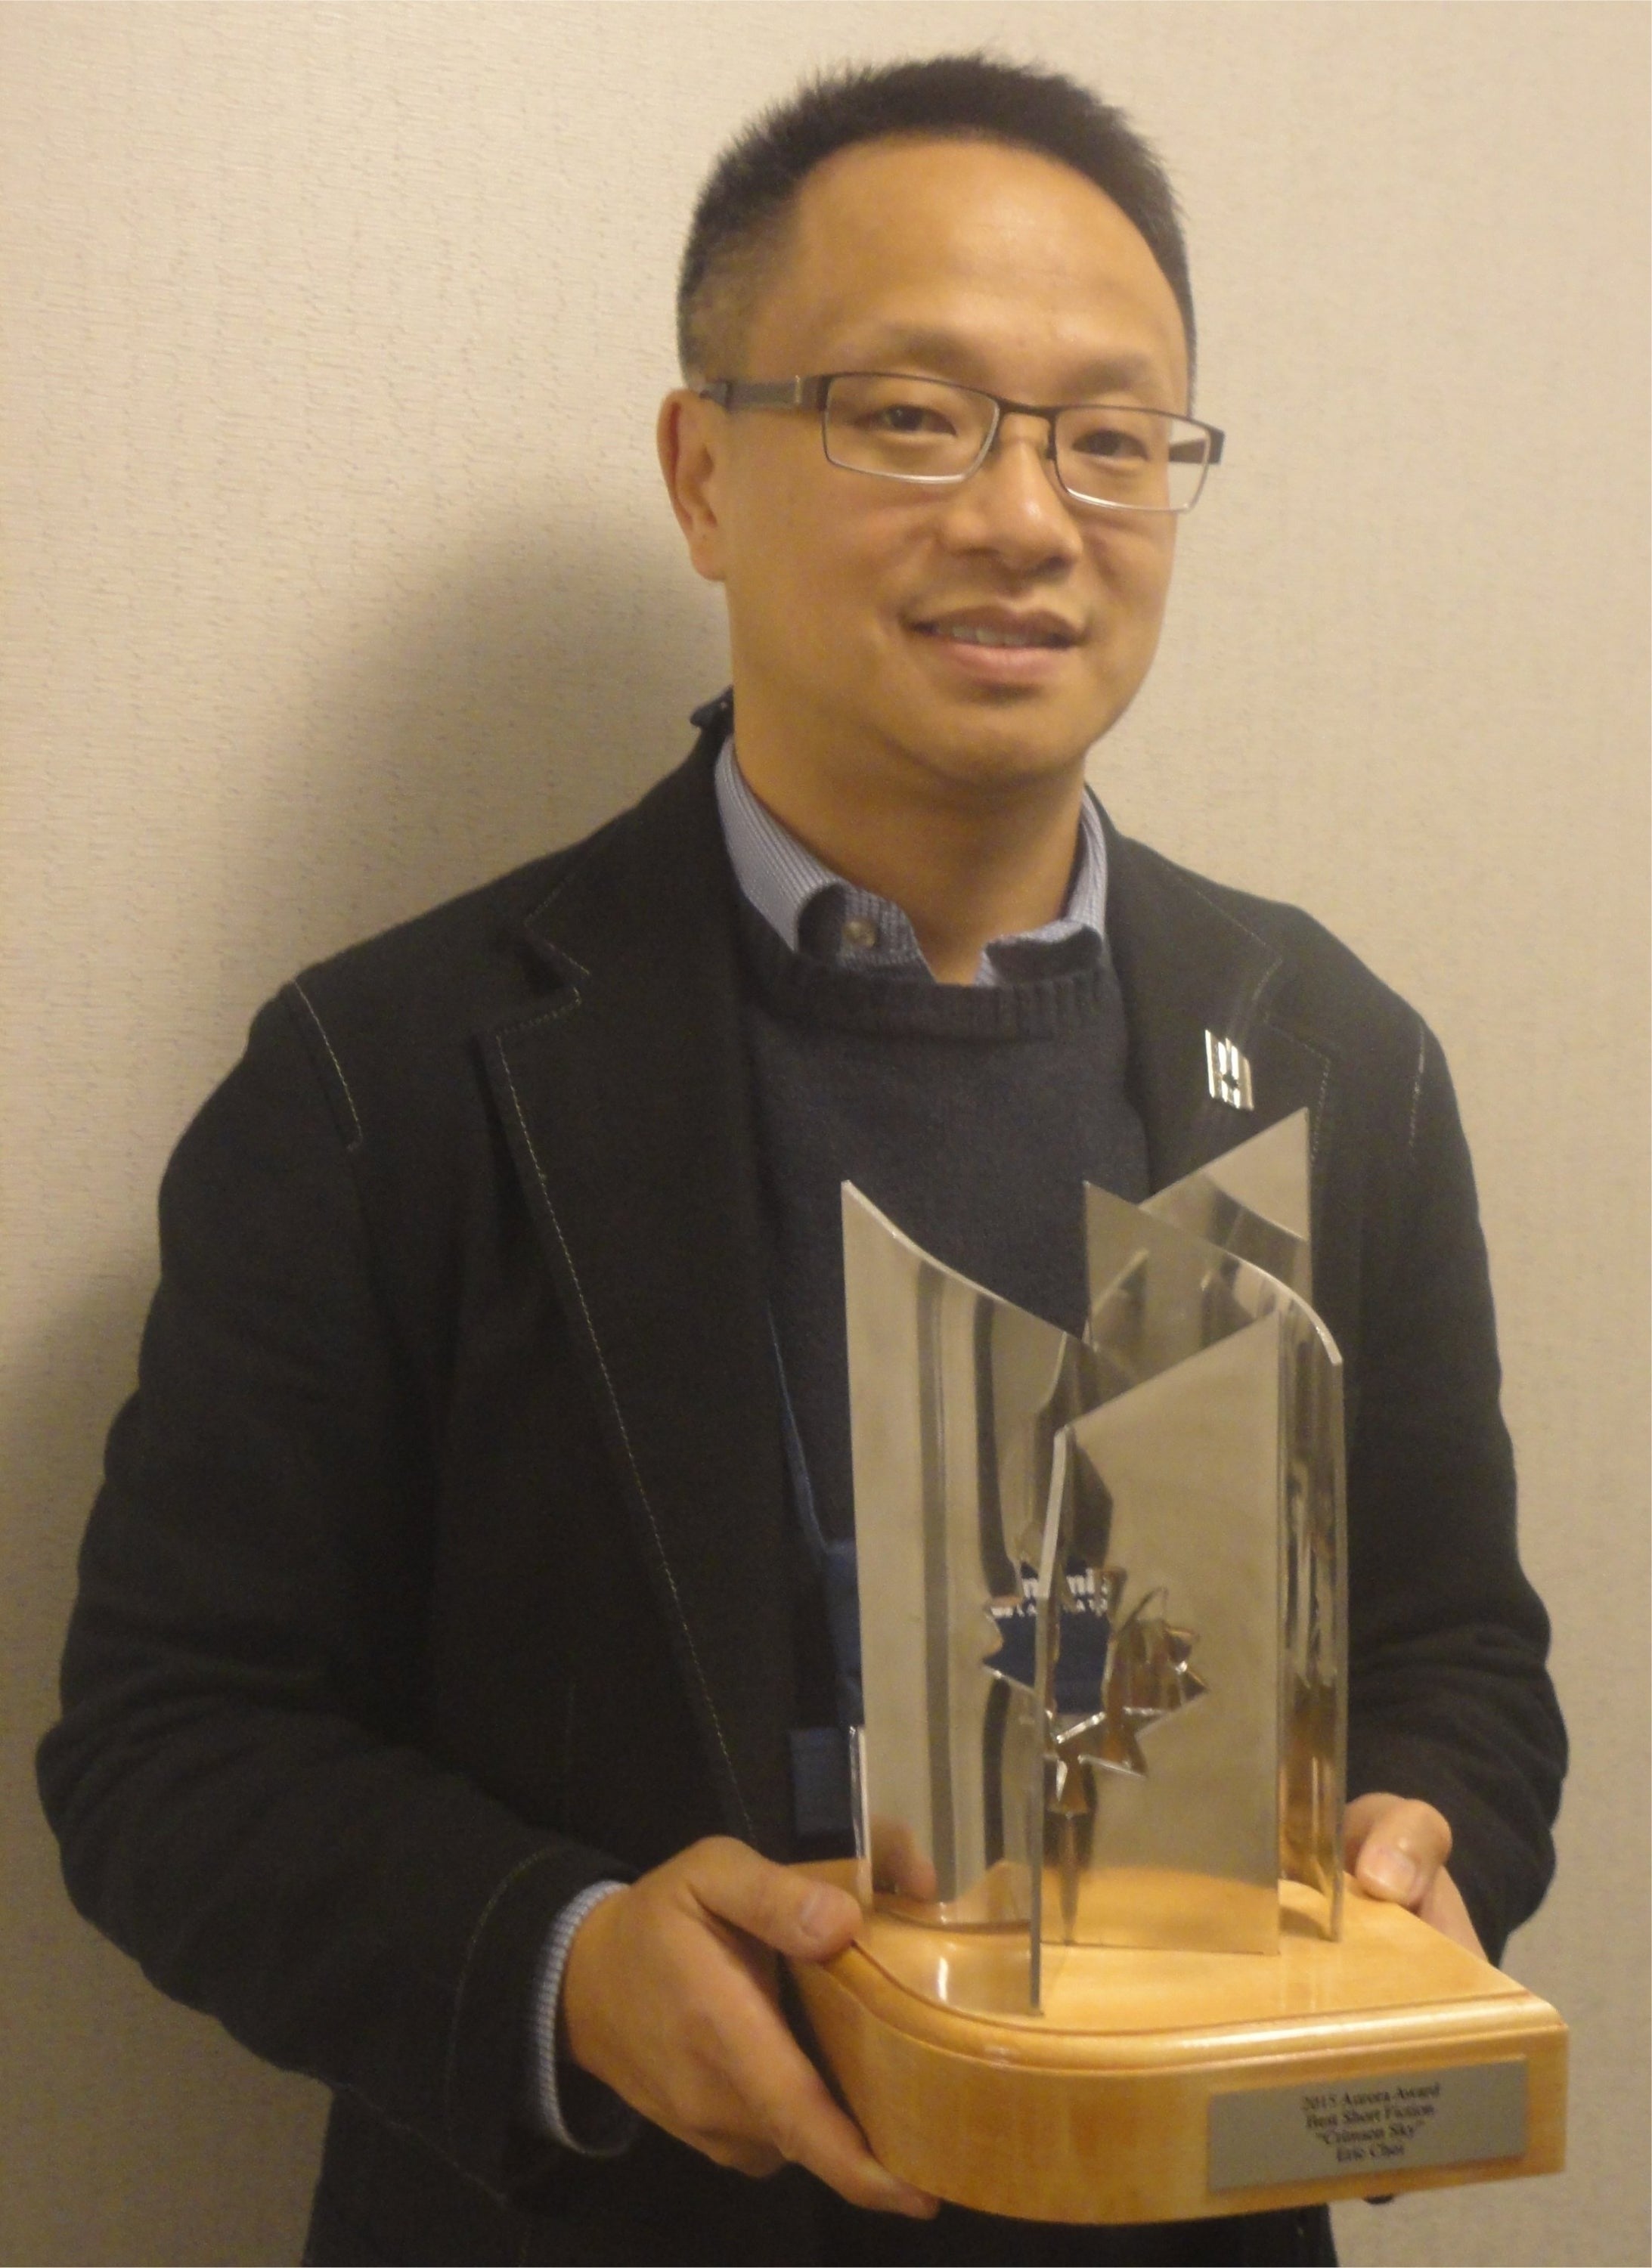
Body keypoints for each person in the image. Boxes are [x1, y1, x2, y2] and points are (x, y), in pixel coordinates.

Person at [38, 54, 1565, 2268]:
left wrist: (1426, 1853)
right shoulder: (392, 1074)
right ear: (702, 472)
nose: (1028, 519)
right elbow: (169, 1746)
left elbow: (1458, 1655)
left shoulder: (1330, 1054)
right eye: (912, 415)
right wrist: (560, 1961)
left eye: (1110, 439)